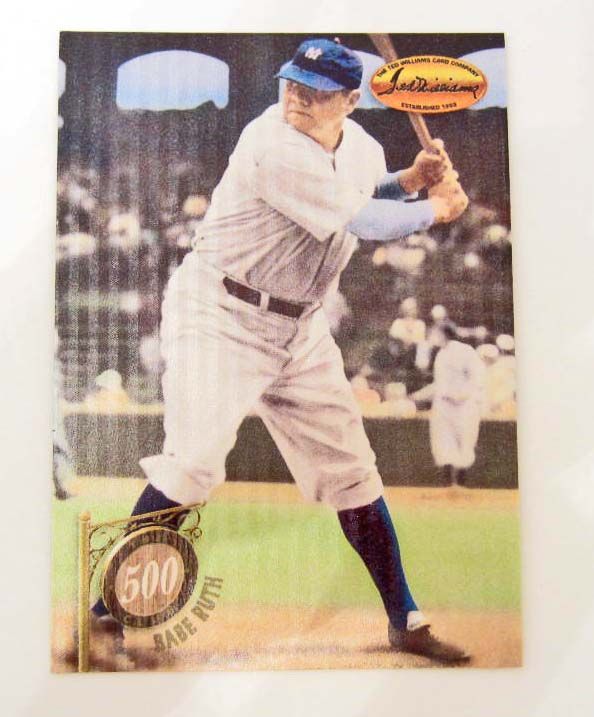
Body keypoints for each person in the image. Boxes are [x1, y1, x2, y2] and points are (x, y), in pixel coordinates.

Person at [92, 38, 469, 662]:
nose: (297, 95)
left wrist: (408, 181)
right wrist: (436, 207)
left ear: (350, 101)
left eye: (315, 90)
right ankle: (105, 615)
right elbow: (364, 222)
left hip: (300, 326)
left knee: (353, 470)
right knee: (193, 464)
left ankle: (406, 619)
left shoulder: (363, 148)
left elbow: (363, 194)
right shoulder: (271, 143)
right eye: (292, 82)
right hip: (221, 314)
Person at [413, 324, 486, 487]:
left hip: (464, 404)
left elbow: (477, 376)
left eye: (436, 333)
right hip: (443, 404)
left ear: (444, 334)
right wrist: (418, 395)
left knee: (465, 441)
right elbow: (439, 384)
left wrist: (464, 394)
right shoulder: (441, 354)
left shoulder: (465, 350)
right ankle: (448, 485)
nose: (433, 337)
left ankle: (462, 483)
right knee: (443, 441)